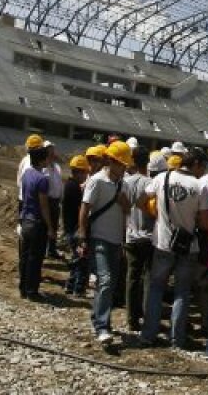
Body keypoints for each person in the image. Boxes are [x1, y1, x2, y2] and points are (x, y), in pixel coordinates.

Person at [141, 147, 208, 348]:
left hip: (162, 241)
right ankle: (177, 338)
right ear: (196, 164)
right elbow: (205, 223)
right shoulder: (199, 186)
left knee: (156, 288)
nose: (203, 171)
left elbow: (140, 201)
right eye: (203, 167)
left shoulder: (162, 178)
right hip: (187, 246)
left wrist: (158, 216)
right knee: (182, 292)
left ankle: (149, 334)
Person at [79, 140, 132, 344]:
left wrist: (123, 201)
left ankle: (99, 319)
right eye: (121, 164)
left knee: (108, 284)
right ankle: (102, 326)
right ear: (110, 161)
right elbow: (85, 209)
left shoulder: (123, 184)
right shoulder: (97, 181)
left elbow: (127, 211)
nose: (123, 168)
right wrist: (83, 237)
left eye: (125, 165)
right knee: (106, 280)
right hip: (99, 239)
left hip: (115, 241)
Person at [17, 142, 54, 301]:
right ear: (41, 160)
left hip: (25, 219)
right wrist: (51, 227)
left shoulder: (26, 174)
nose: (48, 160)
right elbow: (44, 205)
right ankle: (32, 291)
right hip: (37, 222)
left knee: (25, 256)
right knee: (36, 258)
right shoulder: (42, 179)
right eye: (46, 158)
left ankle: (23, 288)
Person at [123, 146, 154, 332]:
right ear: (147, 162)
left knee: (132, 277)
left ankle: (131, 318)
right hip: (148, 235)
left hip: (130, 234)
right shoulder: (150, 183)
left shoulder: (125, 182)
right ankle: (147, 315)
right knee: (148, 277)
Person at [62, 154, 91, 296]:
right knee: (81, 259)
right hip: (75, 228)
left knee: (75, 259)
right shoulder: (74, 188)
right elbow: (81, 209)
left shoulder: (69, 185)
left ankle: (70, 285)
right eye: (85, 172)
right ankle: (78, 289)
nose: (86, 175)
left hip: (70, 227)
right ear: (79, 172)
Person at [43, 142, 65, 258]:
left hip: (55, 201)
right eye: (49, 151)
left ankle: (51, 249)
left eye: (52, 151)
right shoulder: (43, 168)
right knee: (46, 226)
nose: (51, 154)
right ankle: (43, 250)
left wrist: (61, 197)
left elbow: (59, 184)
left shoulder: (56, 167)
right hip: (47, 200)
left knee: (54, 226)